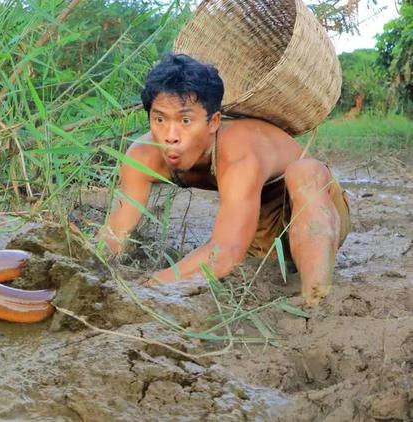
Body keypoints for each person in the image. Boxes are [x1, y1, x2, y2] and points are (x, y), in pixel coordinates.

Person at [98, 53, 351, 306]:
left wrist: (149, 286)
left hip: (312, 214)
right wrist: (96, 277)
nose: (171, 136)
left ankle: (316, 299)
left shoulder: (240, 151)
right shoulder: (143, 155)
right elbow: (115, 234)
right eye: (160, 119)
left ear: (213, 122)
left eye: (185, 120)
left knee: (305, 171)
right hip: (255, 231)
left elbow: (225, 253)